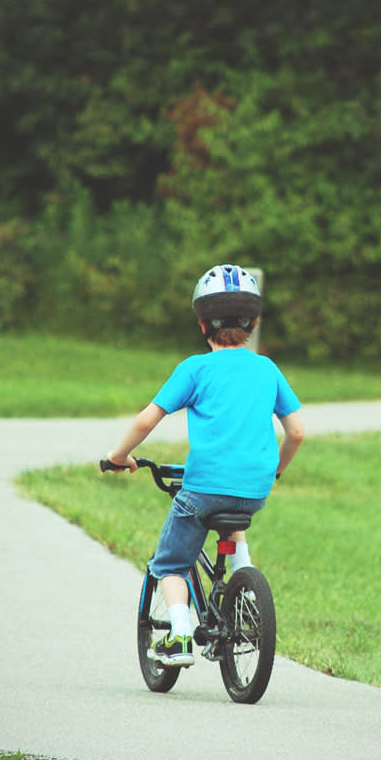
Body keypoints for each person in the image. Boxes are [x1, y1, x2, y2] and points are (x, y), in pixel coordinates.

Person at [104, 264, 305, 666]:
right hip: (253, 492)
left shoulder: (194, 369)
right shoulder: (267, 369)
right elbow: (296, 432)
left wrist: (118, 456)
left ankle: (178, 635)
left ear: (201, 324)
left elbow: (147, 419)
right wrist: (276, 471)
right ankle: (246, 594)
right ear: (254, 322)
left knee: (171, 564)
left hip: (203, 490)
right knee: (232, 517)